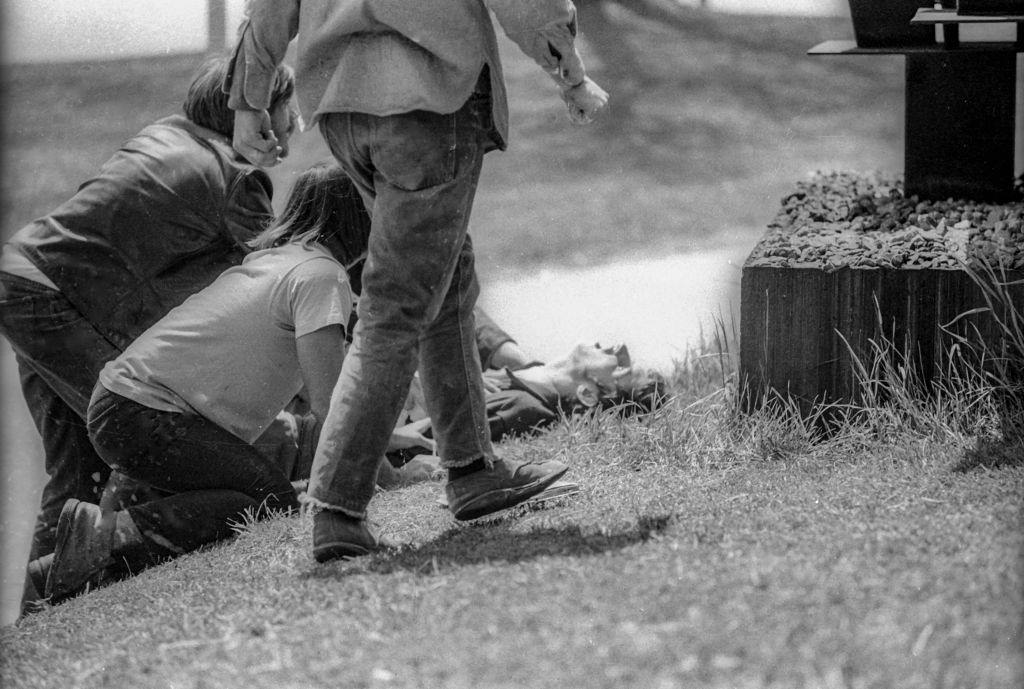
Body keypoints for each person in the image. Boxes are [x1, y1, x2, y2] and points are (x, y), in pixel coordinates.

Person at [225, 0, 610, 562]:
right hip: (427, 99)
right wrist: (569, 71)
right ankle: (337, 504)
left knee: (446, 278)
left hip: (342, 108)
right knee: (395, 308)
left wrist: (248, 100)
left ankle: (472, 469)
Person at [29, 162, 436, 605]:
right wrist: (392, 476)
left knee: (244, 495)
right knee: (268, 500)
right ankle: (103, 538)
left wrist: (388, 435)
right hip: (145, 413)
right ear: (358, 217)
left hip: (126, 407)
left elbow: (323, 403)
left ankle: (61, 564)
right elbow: (332, 406)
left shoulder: (282, 261)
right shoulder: (321, 276)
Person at [0, 56, 297, 608]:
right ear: (253, 111)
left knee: (77, 474)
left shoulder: (167, 134)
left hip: (22, 279)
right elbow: (284, 297)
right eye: (287, 111)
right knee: (142, 431)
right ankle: (113, 553)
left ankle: (40, 611)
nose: (294, 128)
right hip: (53, 299)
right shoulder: (237, 180)